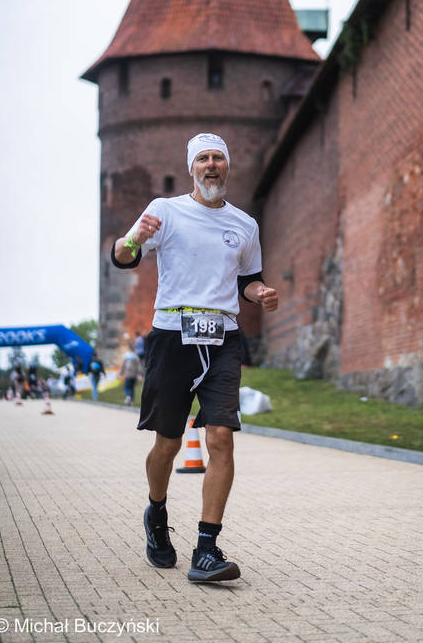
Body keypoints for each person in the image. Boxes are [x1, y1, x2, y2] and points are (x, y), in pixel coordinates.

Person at [111, 132, 278, 583]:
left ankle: (206, 548)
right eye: (202, 158)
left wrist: (259, 293)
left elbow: (249, 278)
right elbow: (123, 257)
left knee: (220, 436)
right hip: (172, 335)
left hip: (223, 337)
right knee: (167, 443)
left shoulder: (244, 225)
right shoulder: (165, 211)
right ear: (191, 168)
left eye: (218, 158)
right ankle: (157, 512)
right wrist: (132, 238)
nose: (210, 165)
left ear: (228, 167)